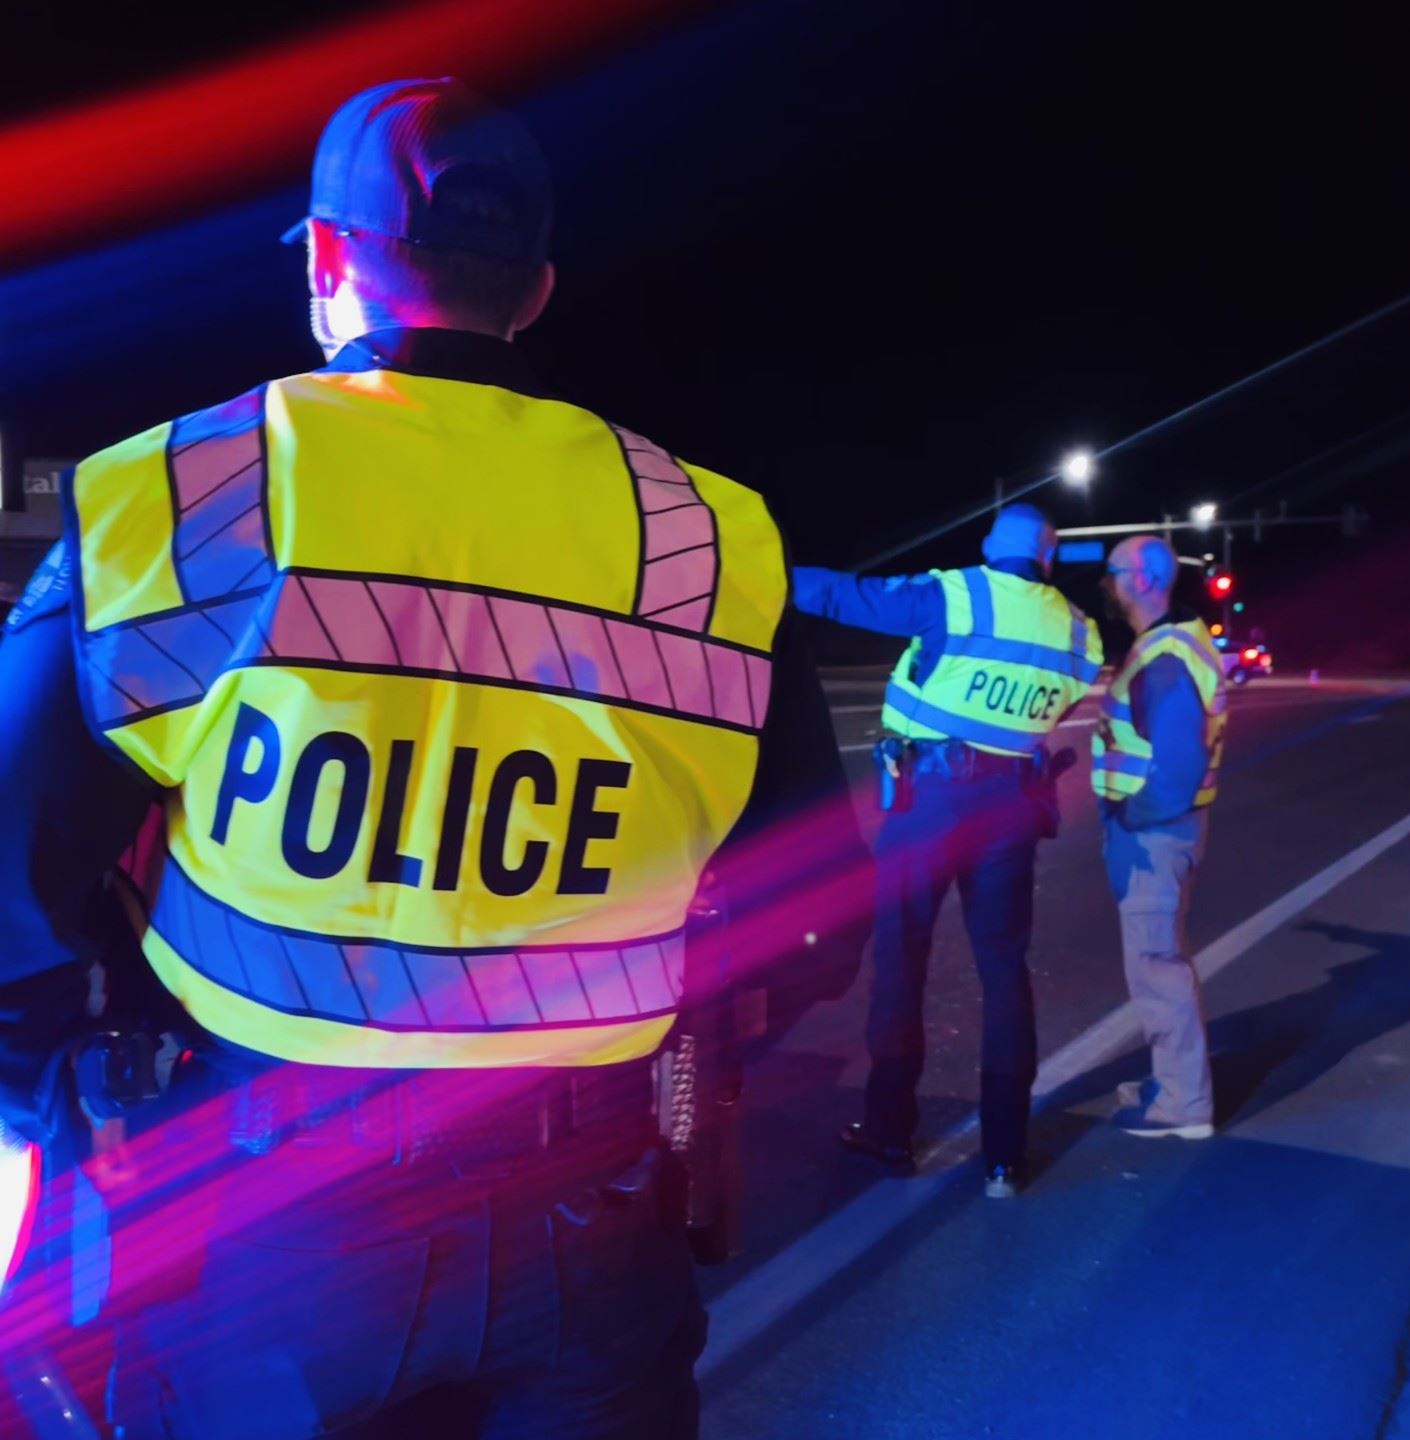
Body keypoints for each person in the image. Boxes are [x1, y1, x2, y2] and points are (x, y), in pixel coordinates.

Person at [0, 77, 865, 1439]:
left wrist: (76, 1090)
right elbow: (813, 923)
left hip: (271, 1227)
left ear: (325, 259)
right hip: (592, 1220)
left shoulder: (191, 496)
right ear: (537, 290)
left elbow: (10, 872)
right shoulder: (708, 539)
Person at [791, 504, 1102, 1197]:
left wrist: (762, 571)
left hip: (929, 804)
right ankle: (1004, 1157)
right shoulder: (1083, 634)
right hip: (1013, 808)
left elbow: (844, 596)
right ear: (1049, 557)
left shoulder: (956, 594)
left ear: (992, 544)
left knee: (902, 963)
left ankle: (890, 1134)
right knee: (1004, 971)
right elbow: (1048, 706)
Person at [1093, 535, 1227, 1140]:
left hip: (1156, 833)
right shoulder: (1169, 642)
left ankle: (1182, 1104)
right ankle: (1171, 1080)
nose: (1106, 582)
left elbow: (1178, 767)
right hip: (1168, 829)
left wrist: (1134, 815)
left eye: (1113, 571)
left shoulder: (1165, 658)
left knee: (1156, 966)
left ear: (1142, 579)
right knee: (1158, 957)